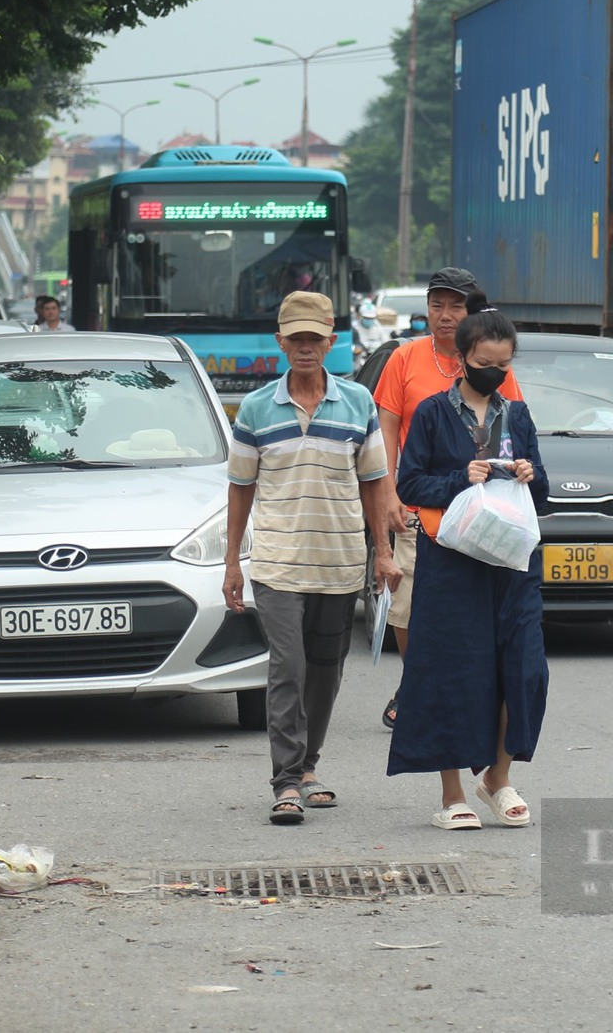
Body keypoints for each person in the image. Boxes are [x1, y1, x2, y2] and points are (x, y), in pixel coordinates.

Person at [223, 291, 402, 825]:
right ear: (280, 343)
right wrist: (233, 562)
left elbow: (374, 482)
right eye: (295, 339)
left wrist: (383, 553)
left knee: (325, 670)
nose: (306, 348)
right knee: (289, 665)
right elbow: (240, 488)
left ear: (330, 341)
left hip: (339, 557)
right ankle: (285, 780)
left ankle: (308, 768)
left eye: (314, 339)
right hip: (278, 559)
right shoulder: (255, 408)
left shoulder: (358, 403)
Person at [389, 307, 550, 829]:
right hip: (452, 561)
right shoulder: (435, 413)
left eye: (503, 365)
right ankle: (452, 794)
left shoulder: (517, 416)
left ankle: (497, 778)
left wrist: (528, 473)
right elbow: (410, 484)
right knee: (452, 670)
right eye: (485, 362)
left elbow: (542, 493)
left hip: (511, 563)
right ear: (461, 359)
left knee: (524, 669)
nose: (494, 372)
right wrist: (462, 477)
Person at [372, 268, 523, 728]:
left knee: (468, 606)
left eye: (455, 306)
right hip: (420, 504)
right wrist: (389, 495)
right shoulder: (405, 358)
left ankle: (456, 685)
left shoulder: (491, 362)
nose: (445, 315)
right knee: (407, 606)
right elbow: (386, 431)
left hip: (479, 506)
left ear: (471, 311)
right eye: (436, 305)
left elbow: (511, 429)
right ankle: (416, 681)